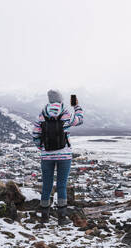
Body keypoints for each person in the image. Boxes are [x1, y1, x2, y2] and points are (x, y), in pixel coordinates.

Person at [32, 89, 84, 224]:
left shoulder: (41, 115)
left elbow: (35, 135)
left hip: (46, 156)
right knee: (61, 185)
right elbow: (80, 120)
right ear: (60, 99)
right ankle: (61, 218)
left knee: (46, 186)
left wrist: (43, 148)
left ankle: (44, 217)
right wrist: (76, 106)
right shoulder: (66, 113)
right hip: (65, 155)